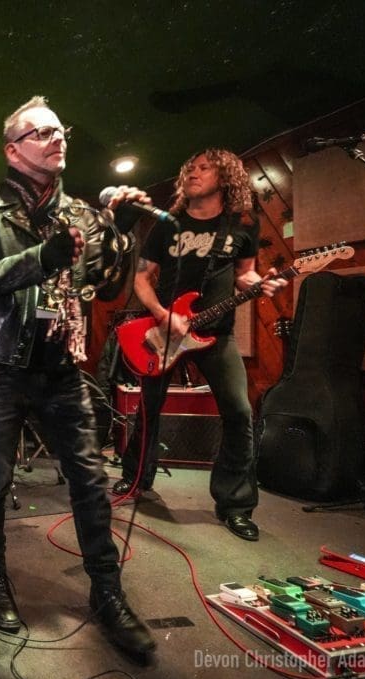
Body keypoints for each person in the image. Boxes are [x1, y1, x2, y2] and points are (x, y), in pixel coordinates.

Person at [0, 95, 155, 659]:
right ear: (13, 150)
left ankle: (107, 592)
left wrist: (123, 230)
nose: (56, 138)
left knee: (90, 481)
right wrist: (40, 258)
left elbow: (110, 289)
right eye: (40, 133)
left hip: (62, 370)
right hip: (1, 369)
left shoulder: (85, 213)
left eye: (59, 130)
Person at [112, 148, 287, 542]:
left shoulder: (242, 224)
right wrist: (160, 314)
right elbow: (142, 278)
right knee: (149, 408)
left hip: (215, 334)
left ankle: (236, 505)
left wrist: (262, 285)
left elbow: (245, 276)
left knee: (240, 413)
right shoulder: (168, 223)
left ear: (225, 177)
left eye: (205, 167)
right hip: (165, 333)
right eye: (190, 166)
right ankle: (136, 479)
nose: (194, 171)